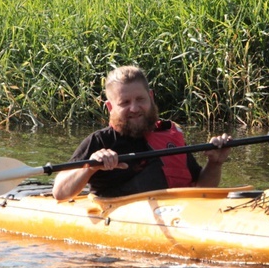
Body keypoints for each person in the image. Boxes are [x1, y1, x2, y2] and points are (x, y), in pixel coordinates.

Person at [52, 65, 232, 200]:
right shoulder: (100, 141)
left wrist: (215, 163)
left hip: (174, 211)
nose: (134, 108)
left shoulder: (169, 135)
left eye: (140, 99)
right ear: (110, 107)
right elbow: (60, 193)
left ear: (151, 97)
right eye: (125, 103)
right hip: (116, 214)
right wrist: (90, 168)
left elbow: (201, 188)